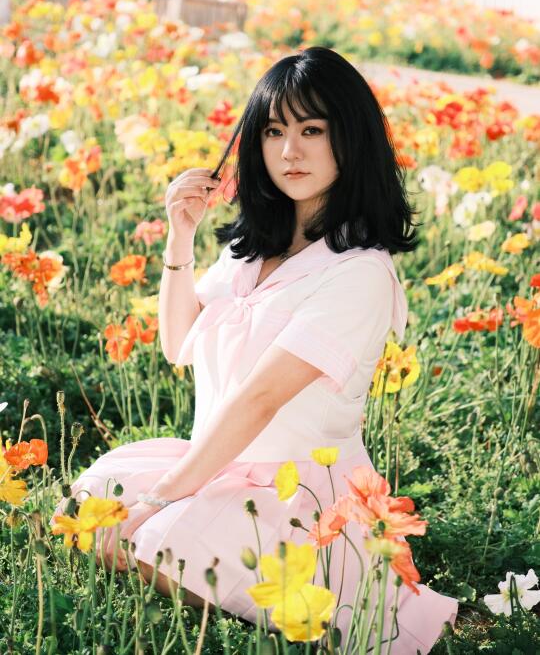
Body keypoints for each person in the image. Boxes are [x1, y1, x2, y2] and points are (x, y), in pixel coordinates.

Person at [51, 46, 458, 652]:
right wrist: (180, 237)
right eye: (273, 131)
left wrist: (161, 497)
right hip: (217, 464)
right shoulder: (252, 251)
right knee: (83, 511)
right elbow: (178, 344)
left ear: (351, 139)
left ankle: (285, 604)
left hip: (301, 497)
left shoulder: (359, 273)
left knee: (148, 541)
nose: (289, 151)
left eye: (312, 130)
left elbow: (260, 399)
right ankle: (225, 576)